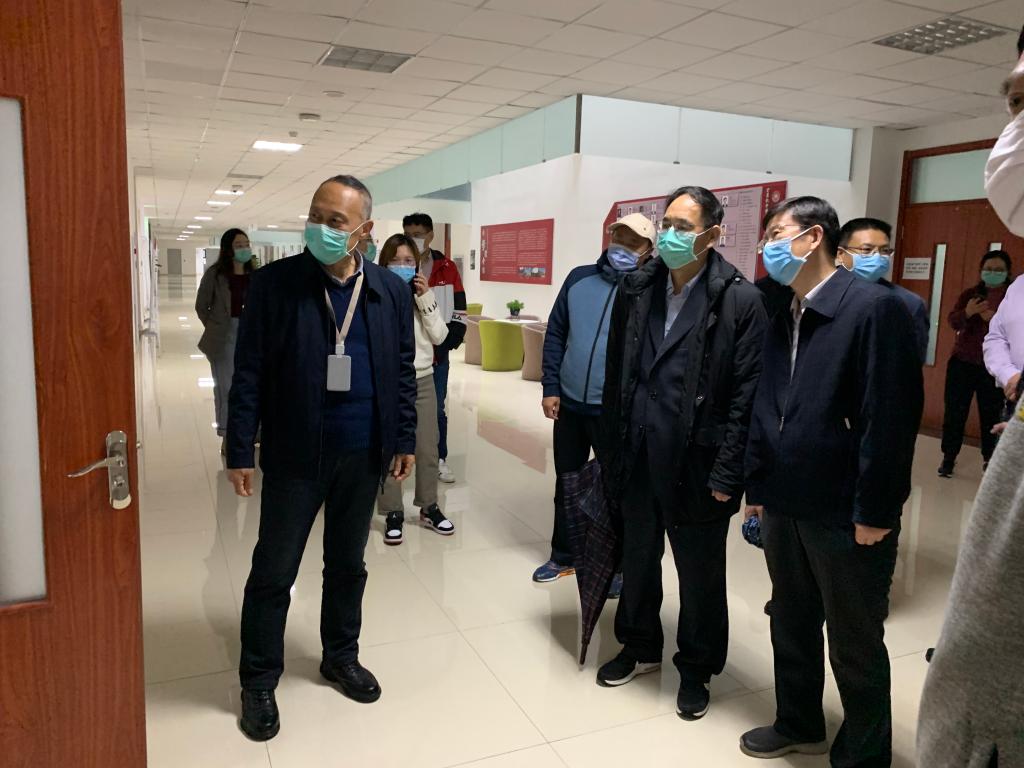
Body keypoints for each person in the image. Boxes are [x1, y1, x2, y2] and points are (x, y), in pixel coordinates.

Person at [226, 175, 417, 742]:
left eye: (336, 221)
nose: (322, 228)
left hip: (363, 453)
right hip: (295, 454)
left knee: (348, 564)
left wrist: (404, 438)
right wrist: (240, 446)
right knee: (274, 571)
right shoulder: (275, 285)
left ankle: (340, 656)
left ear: (364, 230)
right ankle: (259, 679)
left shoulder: (388, 291)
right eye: (316, 215)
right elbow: (249, 371)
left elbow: (402, 370)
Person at [741, 196, 923, 764]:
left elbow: (889, 420)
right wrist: (758, 490)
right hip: (784, 499)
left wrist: (876, 512)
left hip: (845, 510)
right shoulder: (784, 308)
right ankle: (798, 721)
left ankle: (864, 756)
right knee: (790, 621)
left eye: (777, 234)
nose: (768, 247)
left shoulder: (872, 309)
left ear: (814, 237)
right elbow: (767, 404)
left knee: (854, 640)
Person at [600, 187, 768, 721]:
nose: (670, 235)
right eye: (667, 224)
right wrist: (611, 449)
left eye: (683, 227)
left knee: (700, 574)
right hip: (638, 452)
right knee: (638, 557)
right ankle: (639, 645)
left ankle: (696, 668)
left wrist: (729, 472)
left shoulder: (740, 301)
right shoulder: (637, 289)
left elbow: (746, 396)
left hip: (699, 462)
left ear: (713, 235)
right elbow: (617, 372)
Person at [918, 35, 1024, 768]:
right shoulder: (995, 295)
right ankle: (956, 456)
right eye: (1015, 102)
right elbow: (983, 334)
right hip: (989, 377)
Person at [533, 213, 655, 586]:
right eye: (619, 238)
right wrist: (551, 386)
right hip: (569, 403)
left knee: (614, 490)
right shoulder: (579, 279)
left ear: (648, 250)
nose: (623, 247)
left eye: (633, 242)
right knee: (567, 483)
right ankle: (563, 555)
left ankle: (615, 565)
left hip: (613, 412)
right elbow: (556, 332)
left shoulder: (649, 291)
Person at [376, 234, 455, 544]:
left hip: (421, 379)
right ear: (383, 264)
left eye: (408, 261)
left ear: (418, 265)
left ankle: (429, 506)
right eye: (395, 261)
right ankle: (392, 511)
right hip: (387, 382)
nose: (402, 266)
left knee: (427, 447)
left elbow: (440, 336)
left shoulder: (424, 295)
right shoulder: (376, 294)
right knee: (389, 448)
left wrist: (425, 299)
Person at [403, 213, 467, 484]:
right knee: (402, 408)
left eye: (418, 235)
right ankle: (400, 455)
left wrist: (451, 341)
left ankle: (439, 458)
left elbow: (460, 307)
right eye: (408, 234)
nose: (413, 240)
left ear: (430, 235)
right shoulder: (399, 265)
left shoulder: (447, 267)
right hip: (406, 353)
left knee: (437, 409)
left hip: (437, 353)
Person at [939, 250, 1012, 477]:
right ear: (981, 270)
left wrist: (996, 320)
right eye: (989, 269)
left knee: (991, 415)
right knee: (955, 413)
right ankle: (948, 458)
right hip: (962, 362)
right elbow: (953, 321)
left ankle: (990, 459)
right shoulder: (971, 295)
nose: (993, 273)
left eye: (999, 270)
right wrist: (968, 312)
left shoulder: (1013, 297)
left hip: (994, 367)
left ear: (1007, 272)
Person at [836, 217, 930, 363]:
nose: (877, 257)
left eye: (885, 250)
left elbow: (912, 363)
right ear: (841, 254)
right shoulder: (819, 293)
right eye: (866, 250)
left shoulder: (908, 303)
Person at [195, 228, 254, 454]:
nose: (244, 249)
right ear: (228, 249)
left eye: (246, 244)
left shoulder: (255, 274)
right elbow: (202, 306)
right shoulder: (216, 274)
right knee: (227, 388)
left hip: (250, 335)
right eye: (239, 245)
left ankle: (250, 433)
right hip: (224, 337)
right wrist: (216, 327)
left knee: (249, 387)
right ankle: (228, 435)